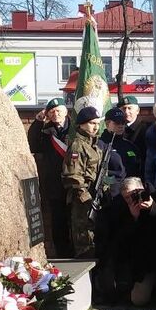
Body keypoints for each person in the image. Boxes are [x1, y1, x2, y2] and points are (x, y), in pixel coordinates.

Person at [105, 178, 156, 306]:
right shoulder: (121, 206)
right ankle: (153, 289)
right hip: (143, 262)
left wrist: (154, 208)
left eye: (135, 194)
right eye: (127, 197)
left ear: (143, 188)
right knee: (139, 300)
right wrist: (134, 218)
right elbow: (120, 240)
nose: (132, 199)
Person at [27, 97, 73, 258]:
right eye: (51, 112)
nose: (55, 114)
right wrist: (39, 121)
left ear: (66, 112)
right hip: (55, 184)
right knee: (58, 222)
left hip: (74, 183)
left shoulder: (75, 130)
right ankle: (62, 254)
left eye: (58, 110)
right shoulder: (46, 132)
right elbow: (32, 144)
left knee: (76, 220)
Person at [60, 106, 105, 258]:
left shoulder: (94, 145)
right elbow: (73, 175)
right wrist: (86, 197)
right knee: (85, 242)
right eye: (92, 123)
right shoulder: (78, 145)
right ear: (81, 124)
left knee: (96, 240)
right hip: (83, 202)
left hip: (95, 198)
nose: (96, 127)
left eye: (97, 123)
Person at [101, 106, 143, 179]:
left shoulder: (130, 146)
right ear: (107, 124)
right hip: (108, 187)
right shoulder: (99, 145)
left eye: (123, 123)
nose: (120, 126)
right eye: (117, 123)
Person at [120, 95, 148, 167]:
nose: (126, 112)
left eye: (130, 108)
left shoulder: (146, 128)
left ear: (137, 111)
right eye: (124, 109)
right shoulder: (116, 130)